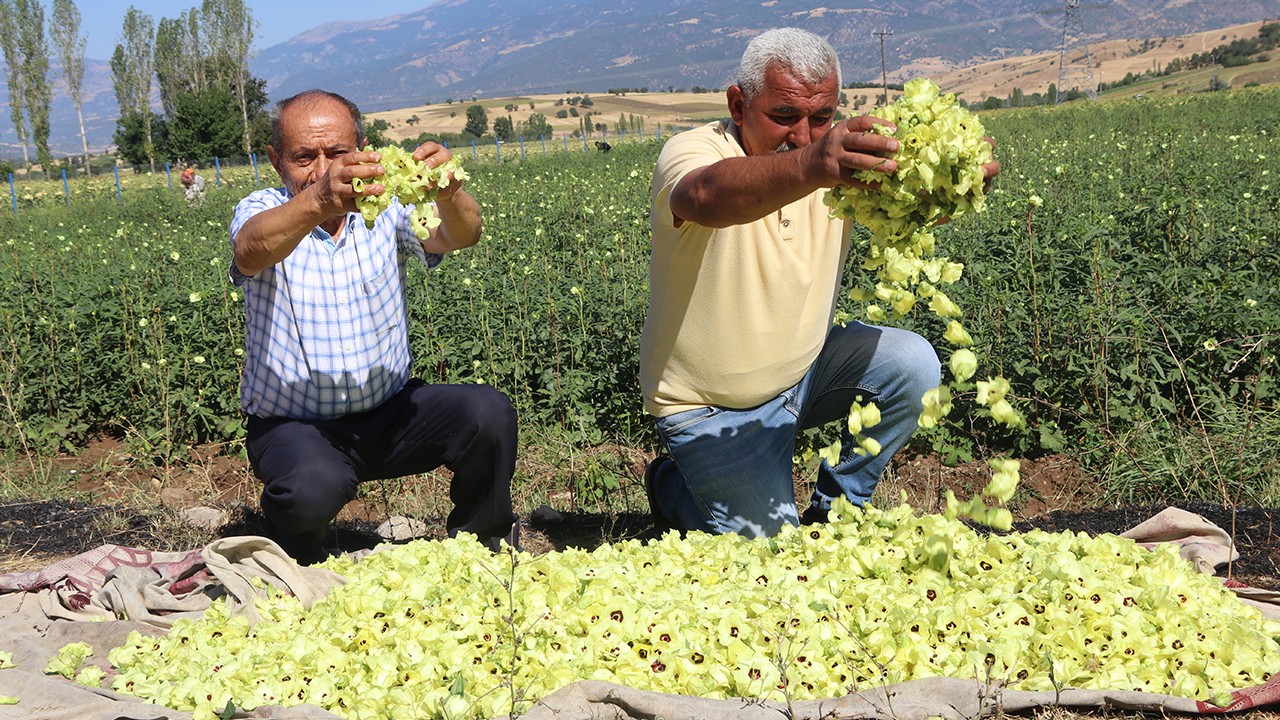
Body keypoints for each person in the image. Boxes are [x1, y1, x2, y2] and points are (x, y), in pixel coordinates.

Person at [639, 28, 1000, 538]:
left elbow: (911, 204)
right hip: (710, 411)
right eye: (784, 115)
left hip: (805, 376)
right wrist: (814, 166)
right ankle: (674, 486)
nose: (803, 135)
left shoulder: (834, 165)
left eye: (821, 117)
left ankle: (837, 509)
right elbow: (703, 196)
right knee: (769, 553)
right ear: (739, 105)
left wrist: (956, 183)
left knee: (913, 365)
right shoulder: (695, 150)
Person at [229, 89, 519, 563]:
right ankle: (292, 558)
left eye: (337, 153)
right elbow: (250, 249)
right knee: (311, 487)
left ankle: (484, 548)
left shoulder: (385, 207)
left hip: (391, 415)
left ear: (363, 149)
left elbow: (460, 235)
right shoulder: (263, 209)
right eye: (304, 157)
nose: (323, 170)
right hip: (296, 427)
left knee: (487, 413)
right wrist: (320, 201)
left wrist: (449, 193)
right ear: (276, 160)